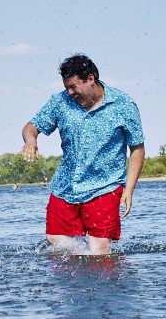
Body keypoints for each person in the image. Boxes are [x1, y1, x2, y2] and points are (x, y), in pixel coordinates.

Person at [21, 54, 145, 255]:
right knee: (55, 240)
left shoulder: (123, 105)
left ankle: (101, 283)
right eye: (66, 87)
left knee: (100, 249)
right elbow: (30, 127)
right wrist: (31, 140)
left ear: (90, 79)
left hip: (105, 186)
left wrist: (129, 189)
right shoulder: (60, 102)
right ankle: (76, 278)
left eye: (73, 87)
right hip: (66, 186)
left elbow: (137, 149)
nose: (69, 92)